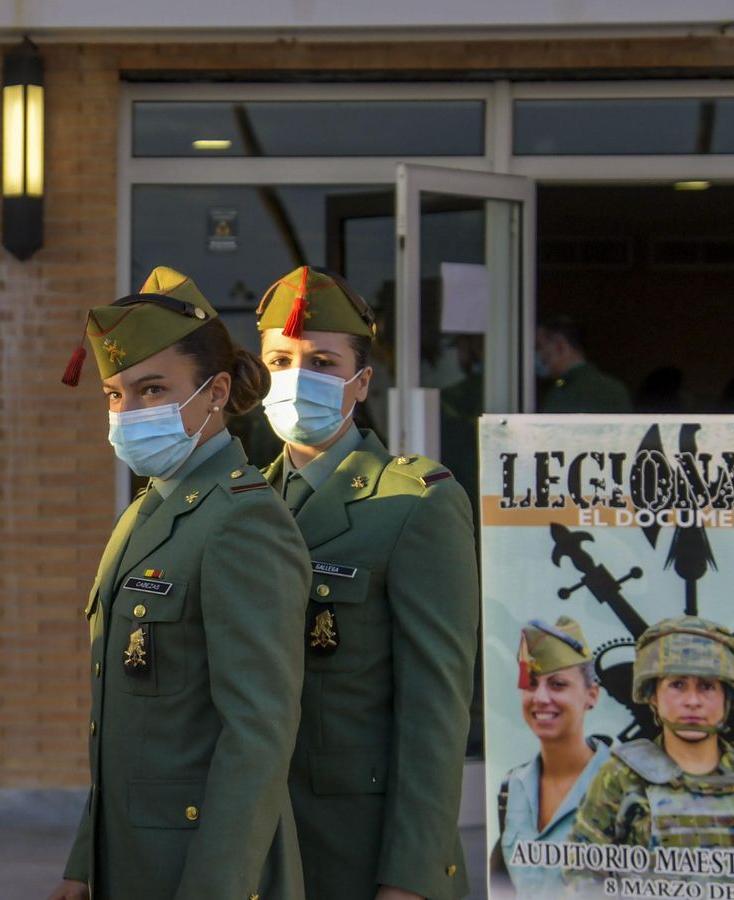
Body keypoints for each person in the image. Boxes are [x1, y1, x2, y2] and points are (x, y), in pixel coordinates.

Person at [51, 266, 311, 900]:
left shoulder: (243, 520)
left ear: (216, 392)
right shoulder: (146, 512)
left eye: (151, 390)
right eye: (115, 395)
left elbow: (257, 735)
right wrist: (84, 865)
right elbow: (122, 725)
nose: (127, 413)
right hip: (130, 862)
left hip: (201, 868)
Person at [255, 266, 479, 900]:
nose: (297, 379)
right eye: (280, 360)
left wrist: (410, 876)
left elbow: (435, 709)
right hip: (255, 845)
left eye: (322, 361)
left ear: (360, 383)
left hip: (360, 849)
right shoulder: (242, 500)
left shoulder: (416, 502)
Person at [570, 617, 734, 852]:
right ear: (653, 696)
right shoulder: (621, 777)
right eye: (677, 685)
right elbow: (584, 873)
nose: (692, 701)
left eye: (707, 686)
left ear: (726, 698)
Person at [495, 617, 612, 898]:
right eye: (531, 684)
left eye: (558, 684)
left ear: (591, 696)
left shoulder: (626, 787)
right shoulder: (512, 787)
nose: (541, 698)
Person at [535, 316, 630, 413]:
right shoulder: (616, 388)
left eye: (539, 346)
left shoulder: (563, 393)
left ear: (560, 347)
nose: (536, 354)